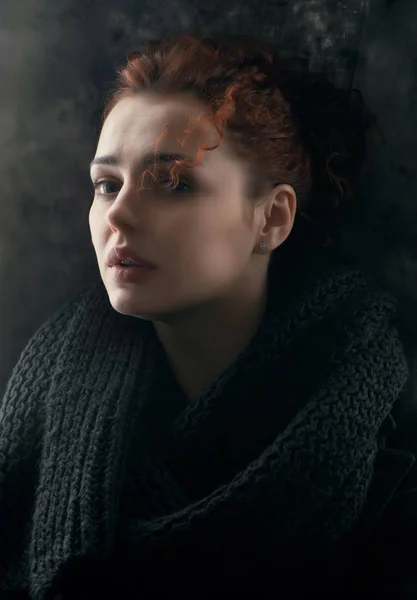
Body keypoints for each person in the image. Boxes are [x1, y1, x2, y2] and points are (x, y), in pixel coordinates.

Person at [0, 33, 416, 600]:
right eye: (105, 184)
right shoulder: (46, 400)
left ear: (271, 219)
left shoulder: (385, 461)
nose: (117, 213)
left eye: (171, 183)